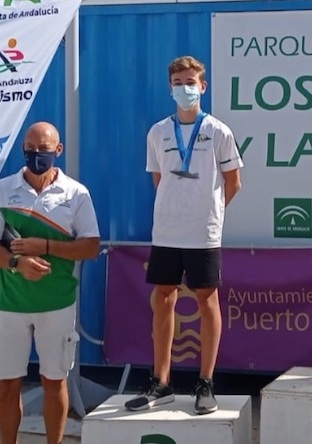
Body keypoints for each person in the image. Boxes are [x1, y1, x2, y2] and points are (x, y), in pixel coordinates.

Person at [0, 122, 101, 444]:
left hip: (57, 304)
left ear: (58, 149)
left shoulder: (76, 194)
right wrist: (17, 265)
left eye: (43, 147)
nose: (35, 154)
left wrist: (44, 247)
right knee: (6, 384)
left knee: (53, 382)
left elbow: (91, 247)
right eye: (29, 147)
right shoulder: (3, 190)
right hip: (10, 305)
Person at [124, 56, 242, 415]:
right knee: (164, 299)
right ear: (170, 87)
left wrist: (209, 210)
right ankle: (161, 382)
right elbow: (159, 179)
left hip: (203, 232)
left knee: (207, 302)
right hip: (167, 231)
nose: (185, 88)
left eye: (191, 82)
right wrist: (177, 207)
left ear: (203, 86)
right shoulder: (158, 132)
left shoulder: (219, 131)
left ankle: (205, 383)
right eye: (178, 82)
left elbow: (233, 183)